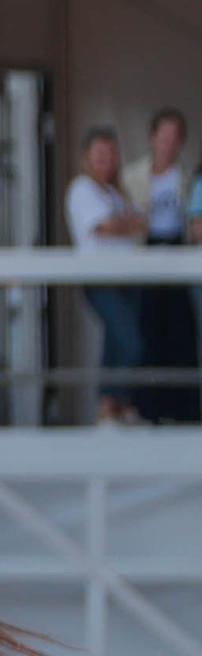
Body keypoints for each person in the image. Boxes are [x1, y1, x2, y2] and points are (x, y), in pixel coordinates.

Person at [66, 124, 147, 426]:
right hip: (101, 279)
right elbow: (104, 226)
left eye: (111, 153)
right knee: (129, 341)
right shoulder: (81, 188)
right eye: (100, 154)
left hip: (127, 278)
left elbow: (140, 222)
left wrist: (124, 223)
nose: (107, 160)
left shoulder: (114, 192)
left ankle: (117, 409)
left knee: (116, 342)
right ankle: (108, 407)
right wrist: (126, 224)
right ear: (87, 156)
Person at [128, 108, 200, 423]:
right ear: (152, 137)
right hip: (145, 253)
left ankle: (184, 411)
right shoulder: (133, 176)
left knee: (181, 334)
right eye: (164, 136)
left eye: (175, 138)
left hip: (178, 251)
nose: (169, 144)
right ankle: (149, 410)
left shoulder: (186, 178)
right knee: (148, 333)